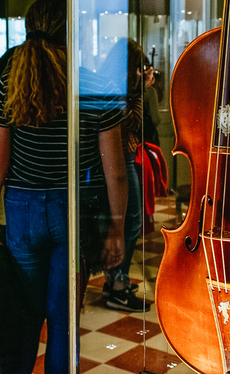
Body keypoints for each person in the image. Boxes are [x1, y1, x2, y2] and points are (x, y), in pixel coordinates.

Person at [0, 0, 127, 374]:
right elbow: (115, 170)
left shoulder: (11, 82)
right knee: (63, 322)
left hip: (23, 208)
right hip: (76, 208)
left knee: (24, 315)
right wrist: (117, 228)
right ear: (71, 32)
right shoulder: (96, 83)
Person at [100, 38, 150, 312]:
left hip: (123, 155)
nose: (141, 72)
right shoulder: (115, 89)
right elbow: (130, 121)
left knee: (129, 221)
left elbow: (133, 122)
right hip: (117, 158)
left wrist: (137, 90)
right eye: (138, 67)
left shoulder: (123, 88)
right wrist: (135, 92)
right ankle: (117, 286)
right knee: (128, 222)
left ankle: (116, 281)